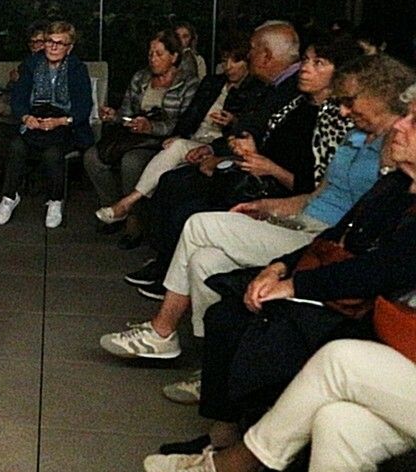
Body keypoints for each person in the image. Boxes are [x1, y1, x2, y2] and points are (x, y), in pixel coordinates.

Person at [143, 85, 416, 472]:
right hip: (397, 347)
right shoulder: (396, 185)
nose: (399, 126)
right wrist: (281, 266)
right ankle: (234, 452)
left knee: (339, 358)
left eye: (413, 121)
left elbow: (380, 269)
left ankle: (238, 466)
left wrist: (295, 285)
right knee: (337, 424)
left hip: (389, 338)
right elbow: (336, 238)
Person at [99, 55, 415, 365]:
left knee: (199, 225)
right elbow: (316, 195)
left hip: (323, 241)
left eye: (350, 101)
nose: (344, 111)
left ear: (380, 97)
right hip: (301, 222)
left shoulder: (399, 151)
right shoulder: (353, 136)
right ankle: (214, 366)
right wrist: (266, 207)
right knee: (204, 260)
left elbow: (374, 219)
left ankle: (162, 331)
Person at [127, 28, 355, 299]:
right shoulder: (297, 103)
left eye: (317, 63)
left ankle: (166, 279)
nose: (304, 68)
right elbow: (264, 140)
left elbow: (313, 185)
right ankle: (166, 268)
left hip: (279, 193)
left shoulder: (335, 121)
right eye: (306, 60)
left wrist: (264, 168)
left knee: (192, 213)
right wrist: (240, 152)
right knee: (176, 184)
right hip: (257, 179)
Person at [95, 35, 265, 225]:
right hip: (192, 138)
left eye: (236, 61)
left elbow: (251, 131)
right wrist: (178, 134)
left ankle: (127, 204)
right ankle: (128, 210)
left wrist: (233, 122)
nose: (229, 67)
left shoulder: (255, 92)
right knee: (101, 155)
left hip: (218, 144)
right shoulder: (212, 83)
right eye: (225, 61)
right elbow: (190, 115)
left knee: (149, 160)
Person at [83, 29, 200, 248]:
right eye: (150, 54)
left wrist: (152, 127)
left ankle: (133, 220)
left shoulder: (188, 83)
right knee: (92, 157)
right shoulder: (141, 77)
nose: (153, 59)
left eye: (159, 54)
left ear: (174, 56)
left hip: (163, 141)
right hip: (134, 136)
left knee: (132, 162)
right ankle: (113, 207)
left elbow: (185, 123)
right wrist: (115, 116)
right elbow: (127, 113)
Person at [0, 21, 93, 228]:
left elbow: (84, 107)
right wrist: (25, 117)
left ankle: (55, 201)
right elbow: (18, 98)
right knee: (16, 146)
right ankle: (9, 197)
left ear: (69, 47)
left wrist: (59, 121)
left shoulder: (77, 69)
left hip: (65, 124)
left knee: (52, 153)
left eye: (60, 43)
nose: (53, 47)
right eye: (49, 41)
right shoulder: (31, 64)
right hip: (36, 119)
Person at [0, 20, 49, 192]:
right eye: (32, 42)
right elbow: (13, 92)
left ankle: (26, 176)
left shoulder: (54, 64)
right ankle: (3, 176)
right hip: (22, 109)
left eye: (39, 42)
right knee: (0, 126)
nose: (35, 46)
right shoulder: (27, 63)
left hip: (44, 112)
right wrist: (14, 82)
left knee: (9, 127)